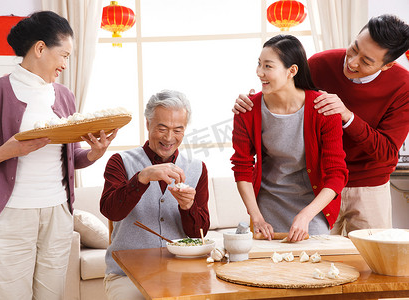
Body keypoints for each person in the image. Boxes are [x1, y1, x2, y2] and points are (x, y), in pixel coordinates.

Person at [0, 11, 117, 300]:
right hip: (7, 216)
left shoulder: (65, 96)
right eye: (64, 55)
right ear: (40, 48)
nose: (66, 65)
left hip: (56, 213)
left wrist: (94, 154)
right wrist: (7, 151)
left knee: (51, 296)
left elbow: (69, 157)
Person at [233, 14, 409, 235]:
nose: (352, 62)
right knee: (319, 259)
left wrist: (347, 116)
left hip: (368, 186)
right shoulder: (320, 64)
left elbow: (387, 152)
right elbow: (284, 85)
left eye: (366, 61)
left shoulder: (403, 86)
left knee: (370, 261)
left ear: (387, 65)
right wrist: (249, 102)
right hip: (318, 183)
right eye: (354, 48)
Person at [231, 35, 348, 243]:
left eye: (268, 66)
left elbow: (336, 174)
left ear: (292, 71)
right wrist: (256, 217)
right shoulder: (247, 110)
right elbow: (242, 167)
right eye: (259, 64)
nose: (259, 73)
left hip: (311, 208)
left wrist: (306, 215)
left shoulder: (323, 109)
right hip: (266, 208)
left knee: (313, 269)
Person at [100, 90, 210, 300]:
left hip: (181, 273)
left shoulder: (198, 168)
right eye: (162, 128)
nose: (169, 138)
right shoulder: (120, 161)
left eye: (178, 130)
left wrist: (188, 207)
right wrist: (141, 178)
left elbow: (200, 235)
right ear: (148, 124)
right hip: (125, 276)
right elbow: (111, 211)